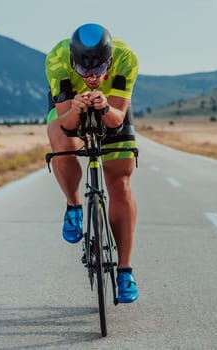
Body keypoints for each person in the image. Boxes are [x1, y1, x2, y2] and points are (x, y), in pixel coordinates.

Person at [44, 23, 139, 303]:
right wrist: (75, 107)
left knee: (120, 182)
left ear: (108, 61)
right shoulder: (57, 59)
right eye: (84, 71)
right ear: (73, 61)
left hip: (112, 108)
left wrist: (105, 106)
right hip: (69, 109)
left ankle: (124, 271)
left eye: (97, 70)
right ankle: (74, 205)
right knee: (61, 143)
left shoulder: (126, 58)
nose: (91, 77)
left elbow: (117, 120)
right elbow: (66, 123)